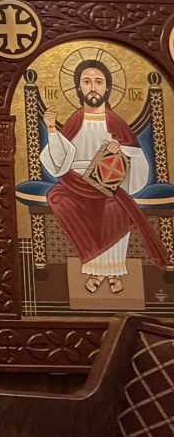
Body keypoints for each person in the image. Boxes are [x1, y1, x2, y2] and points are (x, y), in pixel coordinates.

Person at [40, 59, 167, 294]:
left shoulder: (116, 122)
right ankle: (94, 269)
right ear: (78, 88)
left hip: (108, 183)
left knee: (114, 207)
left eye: (99, 82)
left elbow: (137, 159)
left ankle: (112, 272)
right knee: (58, 197)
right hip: (75, 184)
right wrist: (51, 129)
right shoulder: (75, 121)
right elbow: (59, 161)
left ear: (107, 87)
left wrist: (123, 151)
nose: (93, 87)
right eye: (86, 82)